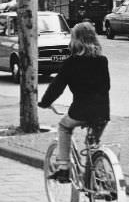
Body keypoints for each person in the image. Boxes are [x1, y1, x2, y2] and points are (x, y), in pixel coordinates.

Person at [38, 21, 110, 183]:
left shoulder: (71, 63)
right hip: (102, 112)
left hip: (80, 111)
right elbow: (106, 86)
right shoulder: (102, 61)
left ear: (75, 40)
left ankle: (63, 168)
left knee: (64, 127)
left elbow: (57, 87)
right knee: (92, 144)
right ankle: (97, 179)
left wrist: (45, 102)